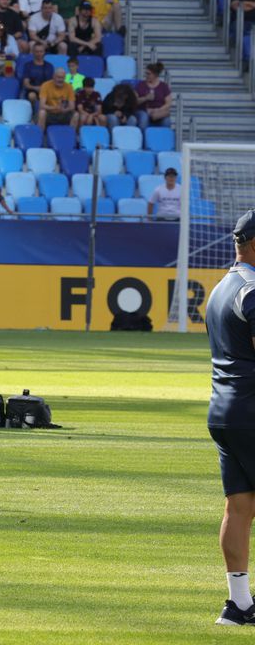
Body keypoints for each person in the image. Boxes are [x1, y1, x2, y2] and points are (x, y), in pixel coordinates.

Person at [203, 209, 255, 625]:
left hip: (222, 409)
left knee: (238, 507)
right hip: (252, 409)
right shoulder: (251, 291)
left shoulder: (220, 288)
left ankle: (238, 604)